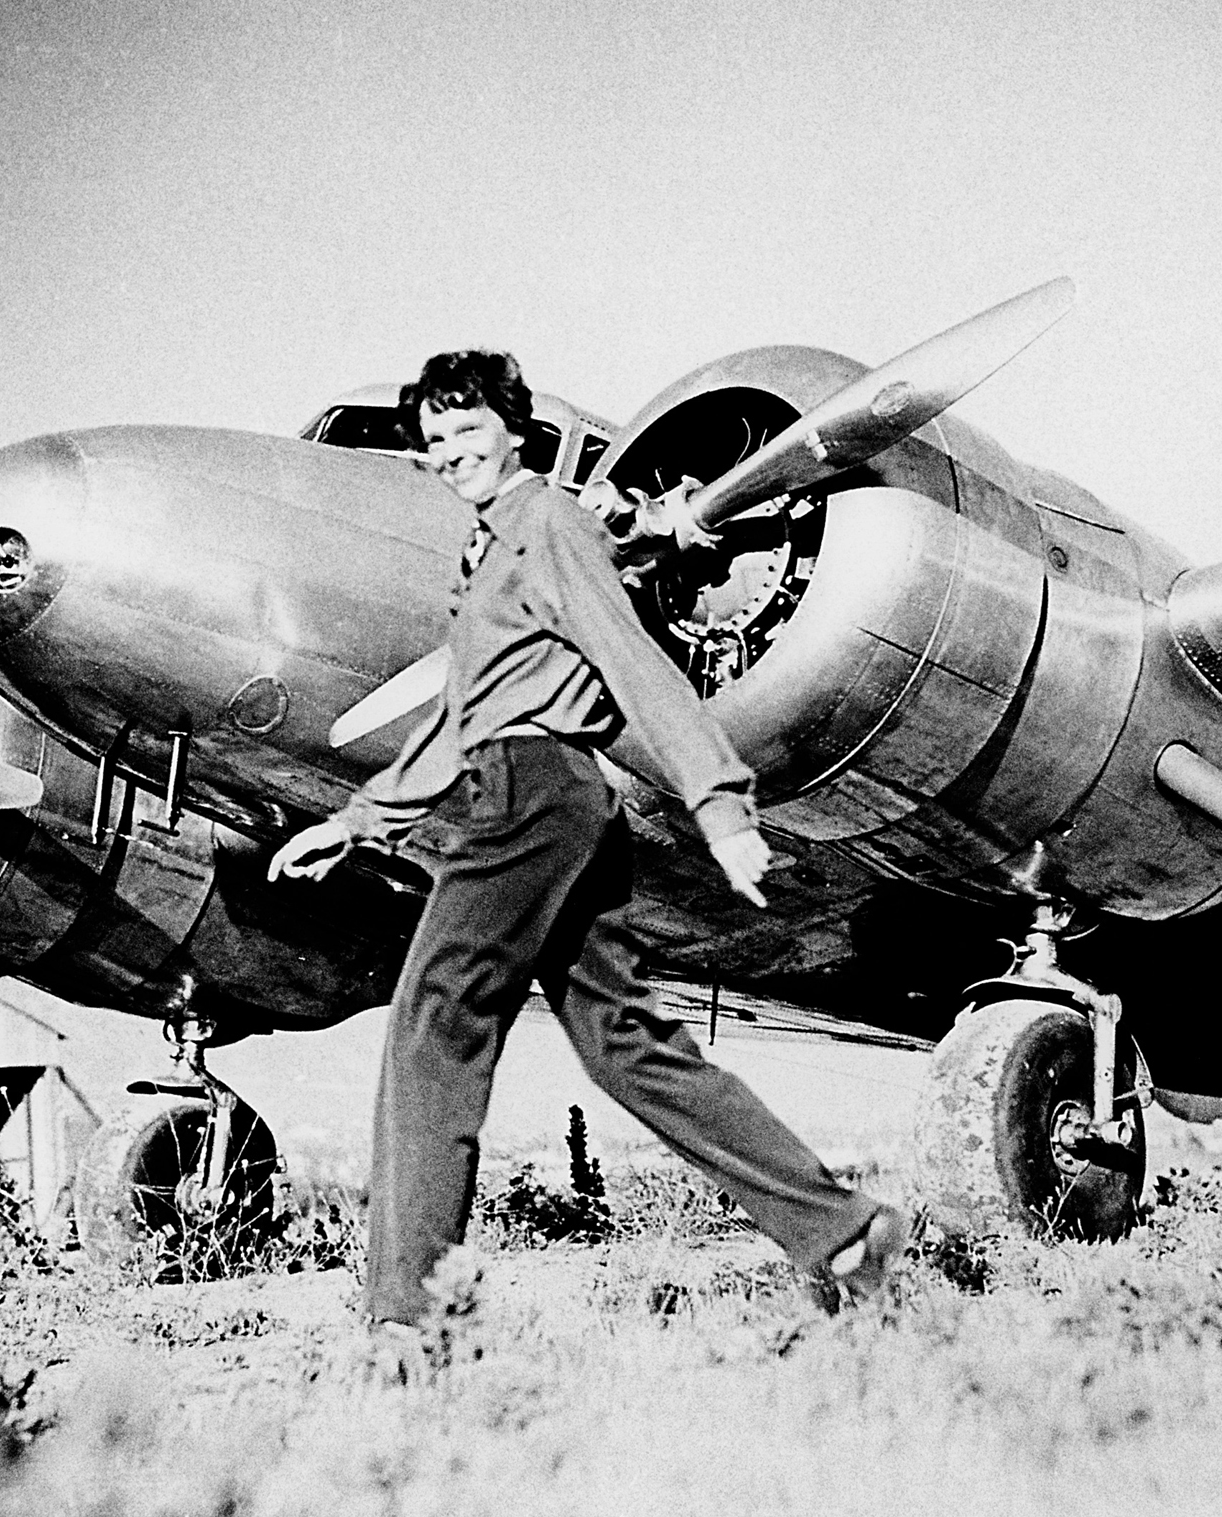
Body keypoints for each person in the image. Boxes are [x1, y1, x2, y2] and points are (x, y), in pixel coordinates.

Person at [269, 350, 905, 1327]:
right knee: (622, 1042)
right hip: (544, 798)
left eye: (468, 434)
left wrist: (719, 803)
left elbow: (635, 660)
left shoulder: (549, 525)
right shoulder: (491, 551)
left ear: (512, 434)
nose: (450, 455)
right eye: (434, 442)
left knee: (435, 1021)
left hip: (533, 797)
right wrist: (358, 822)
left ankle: (408, 1314)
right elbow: (456, 718)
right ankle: (840, 1230)